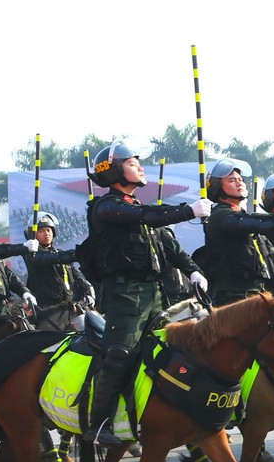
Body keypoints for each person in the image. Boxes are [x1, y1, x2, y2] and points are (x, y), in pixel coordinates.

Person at [82, 141, 213, 443]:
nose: (140, 166)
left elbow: (171, 247)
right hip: (124, 294)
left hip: (156, 292)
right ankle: (98, 425)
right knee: (120, 352)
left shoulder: (137, 209)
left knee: (177, 348)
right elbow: (148, 216)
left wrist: (193, 270)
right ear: (115, 170)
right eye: (132, 162)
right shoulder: (107, 207)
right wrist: (188, 210)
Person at [199, 159, 274, 304]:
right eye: (232, 180)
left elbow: (269, 250)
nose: (239, 183)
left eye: (240, 179)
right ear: (218, 186)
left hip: (259, 291)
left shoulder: (244, 217)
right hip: (233, 294)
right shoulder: (221, 216)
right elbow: (265, 226)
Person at [23, 212, 94, 318]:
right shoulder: (32, 255)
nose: (46, 233)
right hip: (47, 310)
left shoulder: (60, 254)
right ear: (33, 234)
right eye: (41, 231)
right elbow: (48, 258)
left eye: (48, 230)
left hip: (69, 306)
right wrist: (79, 253)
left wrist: (87, 291)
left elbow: (76, 277)